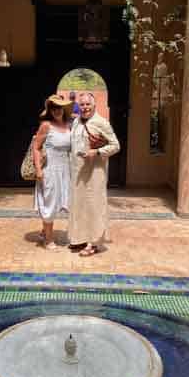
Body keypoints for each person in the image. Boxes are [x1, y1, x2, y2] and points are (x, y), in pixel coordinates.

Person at [68, 92, 120, 257]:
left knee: (94, 205)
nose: (85, 108)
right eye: (82, 105)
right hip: (78, 172)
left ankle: (94, 243)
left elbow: (115, 145)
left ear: (94, 105)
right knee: (79, 205)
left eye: (87, 105)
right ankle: (81, 238)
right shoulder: (76, 121)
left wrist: (97, 152)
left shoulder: (101, 123)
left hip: (95, 172)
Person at [33, 94, 73, 249]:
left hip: (65, 169)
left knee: (61, 201)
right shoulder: (46, 125)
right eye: (53, 107)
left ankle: (45, 231)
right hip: (49, 169)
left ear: (64, 109)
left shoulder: (68, 125)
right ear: (49, 110)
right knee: (50, 202)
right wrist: (38, 169)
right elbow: (36, 148)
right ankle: (48, 239)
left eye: (59, 107)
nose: (57, 110)